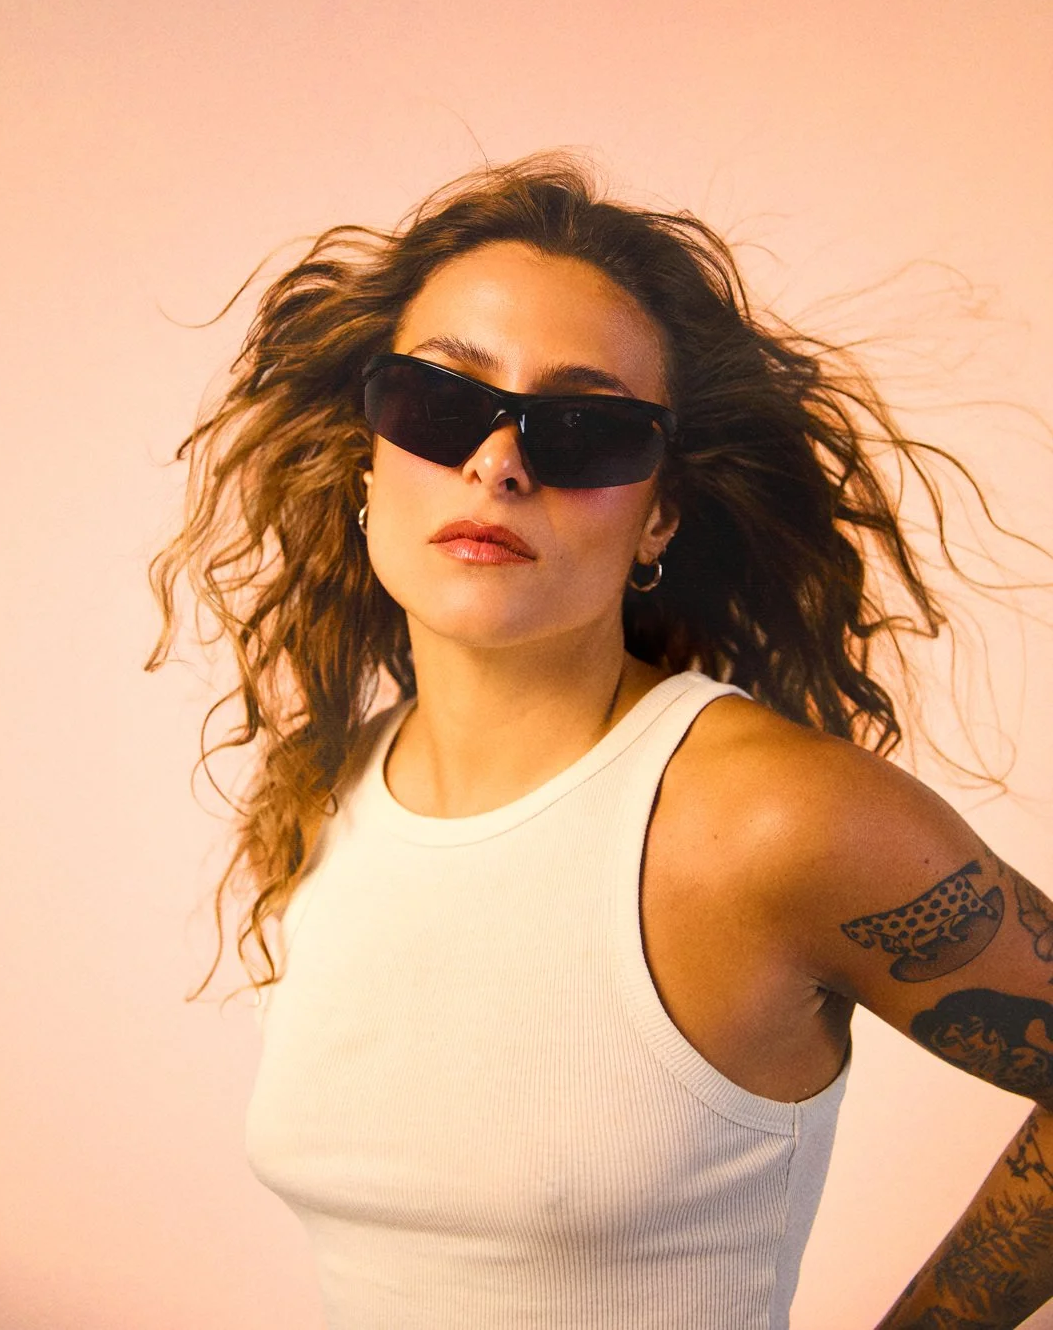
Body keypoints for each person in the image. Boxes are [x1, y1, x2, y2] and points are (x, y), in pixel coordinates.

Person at [145, 151, 1053, 1328]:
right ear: (368, 454)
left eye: (582, 430)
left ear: (659, 511)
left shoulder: (771, 820)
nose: (498, 462)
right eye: (440, 404)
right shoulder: (332, 793)